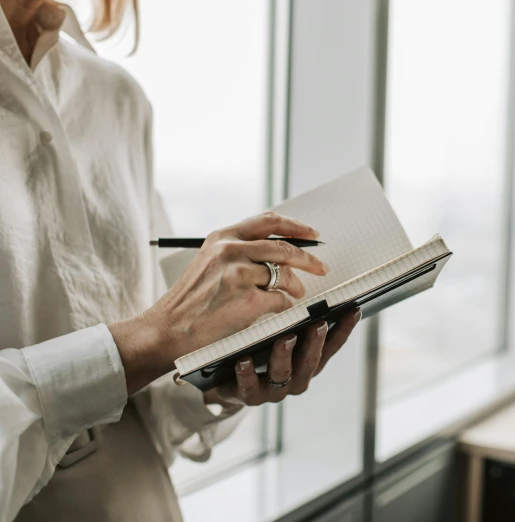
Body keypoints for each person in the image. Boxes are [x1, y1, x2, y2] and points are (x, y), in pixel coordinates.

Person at [0, 1, 361, 520]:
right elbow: (154, 335)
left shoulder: (115, 98)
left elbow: (157, 395)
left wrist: (224, 371)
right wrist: (151, 338)